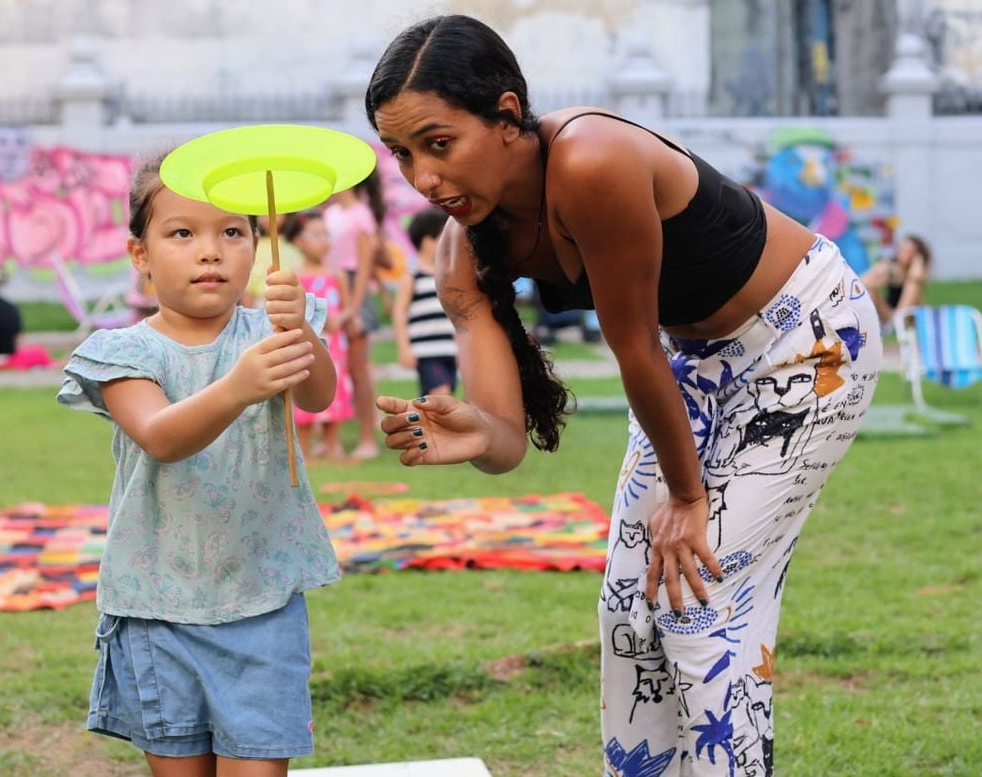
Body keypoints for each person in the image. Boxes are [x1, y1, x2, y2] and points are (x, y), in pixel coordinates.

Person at [367, 15, 882, 775]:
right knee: (627, 613)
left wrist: (687, 494)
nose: (423, 178)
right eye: (402, 154)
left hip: (806, 343)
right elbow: (507, 440)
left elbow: (634, 343)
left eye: (439, 144)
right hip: (694, 366)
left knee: (700, 601)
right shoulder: (460, 250)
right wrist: (475, 432)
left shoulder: (591, 161)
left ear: (508, 115)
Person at [56, 150, 341, 776]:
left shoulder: (270, 328)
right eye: (182, 233)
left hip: (262, 598)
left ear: (258, 244)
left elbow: (320, 397)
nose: (210, 251)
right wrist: (239, 386)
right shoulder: (122, 351)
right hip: (159, 606)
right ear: (141, 256)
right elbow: (159, 434)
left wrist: (302, 335)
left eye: (232, 232)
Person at [323, 171, 388, 459]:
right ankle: (329, 439)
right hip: (333, 284)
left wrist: (353, 308)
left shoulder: (361, 214)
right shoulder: (331, 213)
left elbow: (364, 267)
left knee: (358, 369)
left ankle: (367, 439)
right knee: (336, 366)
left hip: (354, 286)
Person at [282, 211, 354, 461]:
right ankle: (303, 447)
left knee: (335, 386)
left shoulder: (338, 274)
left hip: (335, 343)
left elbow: (349, 307)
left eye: (326, 234)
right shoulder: (295, 276)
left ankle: (333, 444)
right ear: (299, 241)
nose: (324, 240)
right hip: (306, 343)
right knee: (304, 382)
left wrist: (340, 319)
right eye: (316, 235)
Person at [392, 207, 458, 396]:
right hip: (425, 350)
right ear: (427, 241)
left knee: (441, 400)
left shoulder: (448, 276)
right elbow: (399, 312)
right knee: (441, 393)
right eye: (443, 238)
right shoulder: (412, 275)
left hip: (448, 348)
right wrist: (404, 348)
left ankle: (428, 426)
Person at [863, 233, 931, 328]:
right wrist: (880, 277)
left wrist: (918, 262)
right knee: (868, 290)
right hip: (889, 313)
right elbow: (862, 282)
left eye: (908, 251)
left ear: (916, 255)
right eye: (902, 248)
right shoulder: (891, 267)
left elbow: (916, 277)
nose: (902, 252)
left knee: (913, 284)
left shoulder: (917, 274)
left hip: (908, 315)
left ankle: (896, 322)